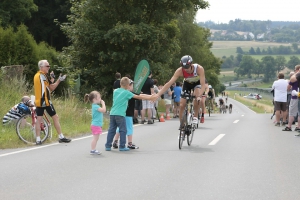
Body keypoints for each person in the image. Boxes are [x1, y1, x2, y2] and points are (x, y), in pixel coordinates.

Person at [154, 55, 206, 128]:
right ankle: (182, 124)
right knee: (182, 105)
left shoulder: (199, 69)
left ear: (191, 64)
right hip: (187, 84)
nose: (186, 69)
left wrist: (199, 96)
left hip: (197, 84)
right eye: (184, 68)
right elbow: (169, 83)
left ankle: (195, 116)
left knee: (197, 96)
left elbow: (203, 85)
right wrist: (158, 94)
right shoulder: (180, 71)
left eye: (187, 67)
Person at [105, 77, 155, 151]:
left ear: (120, 83)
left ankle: (108, 146)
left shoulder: (115, 91)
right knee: (123, 130)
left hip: (112, 113)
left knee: (111, 130)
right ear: (128, 85)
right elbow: (139, 96)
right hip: (120, 114)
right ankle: (122, 146)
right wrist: (151, 97)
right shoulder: (127, 93)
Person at [33, 60, 71, 145]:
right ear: (41, 67)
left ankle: (38, 139)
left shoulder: (37, 75)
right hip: (46, 101)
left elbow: (46, 86)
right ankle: (61, 137)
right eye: (47, 66)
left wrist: (52, 78)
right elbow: (51, 88)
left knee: (38, 120)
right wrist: (59, 80)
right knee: (55, 117)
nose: (49, 68)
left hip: (39, 101)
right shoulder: (43, 76)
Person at [113, 78, 139, 149]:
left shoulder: (122, 92)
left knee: (119, 128)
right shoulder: (130, 94)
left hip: (122, 113)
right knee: (129, 128)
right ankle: (130, 143)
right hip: (128, 114)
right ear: (129, 86)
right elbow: (139, 97)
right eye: (132, 85)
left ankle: (115, 141)